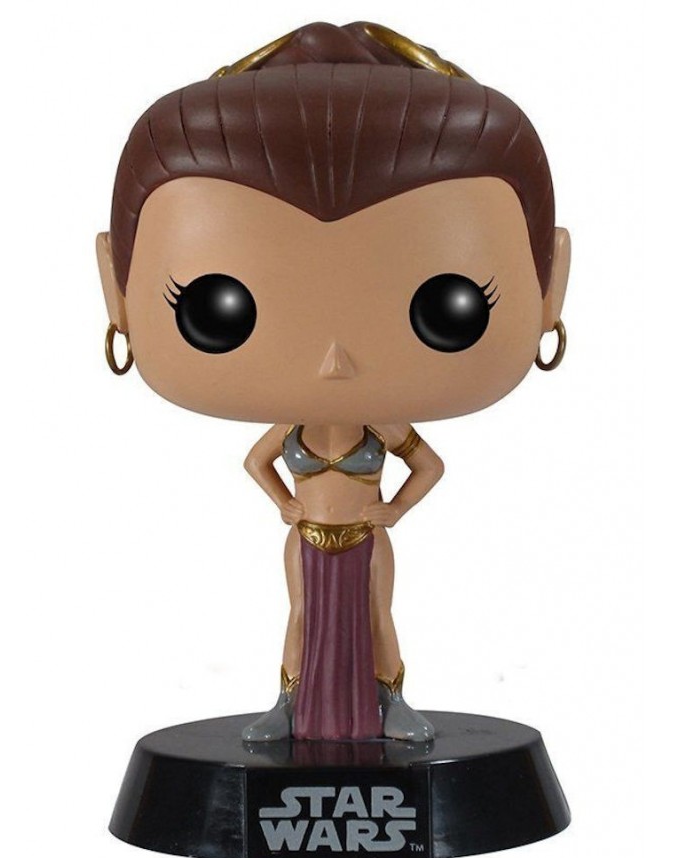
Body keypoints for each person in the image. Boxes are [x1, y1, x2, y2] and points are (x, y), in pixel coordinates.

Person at [98, 21, 570, 742]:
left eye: (451, 307)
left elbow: (429, 465)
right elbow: (255, 462)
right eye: (213, 309)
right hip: (311, 533)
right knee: (300, 617)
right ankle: (288, 704)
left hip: (364, 535)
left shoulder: (385, 427)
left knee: (378, 617)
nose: (334, 361)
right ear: (117, 294)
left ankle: (391, 702)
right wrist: (285, 505)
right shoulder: (293, 428)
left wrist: (393, 512)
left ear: (551, 289)